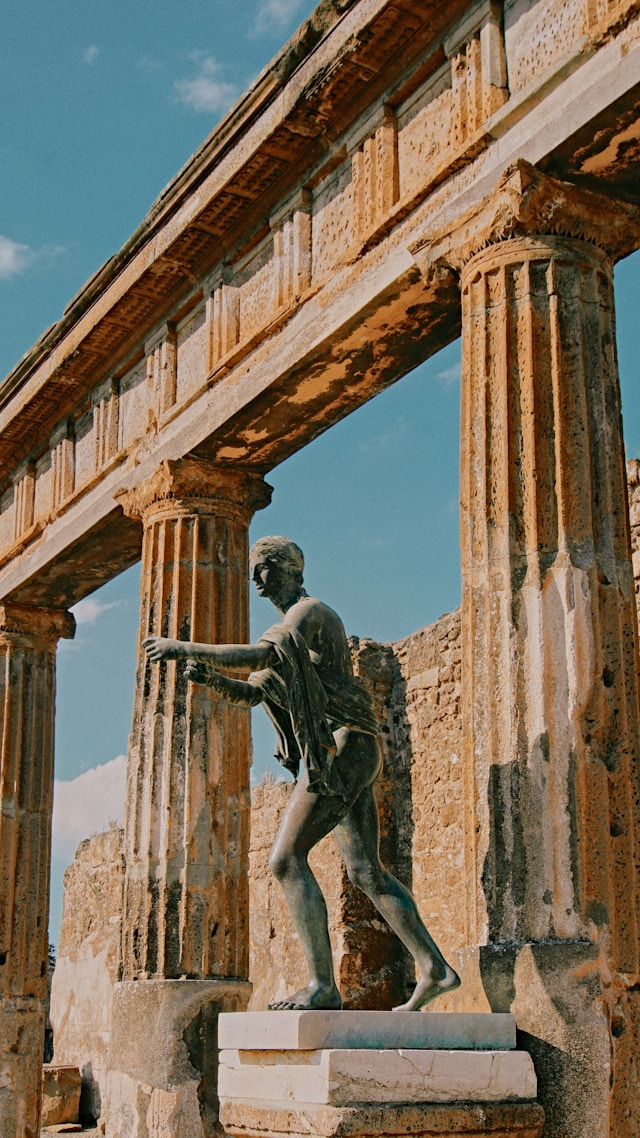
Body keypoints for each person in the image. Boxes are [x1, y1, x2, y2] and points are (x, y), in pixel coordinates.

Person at [142, 536, 460, 1011]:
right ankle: (435, 969)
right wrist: (211, 680)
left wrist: (183, 646)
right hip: (350, 749)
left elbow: (264, 659)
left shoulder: (310, 615)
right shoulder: (290, 628)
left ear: (289, 569)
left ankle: (323, 987)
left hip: (344, 746)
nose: (255, 580)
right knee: (367, 871)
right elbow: (255, 691)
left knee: (285, 860)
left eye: (263, 568)